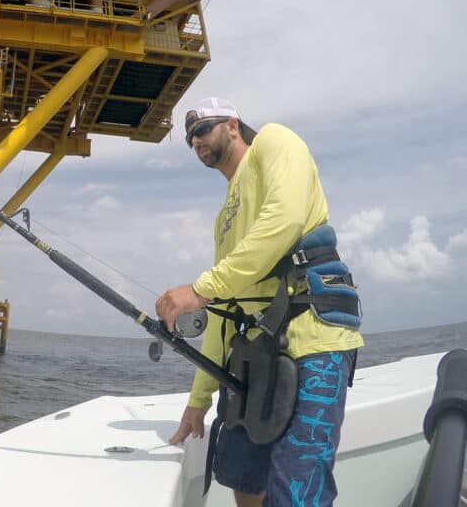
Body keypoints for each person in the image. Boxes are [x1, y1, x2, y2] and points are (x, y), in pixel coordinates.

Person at [155, 97, 363, 507]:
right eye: (189, 137)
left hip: (314, 340)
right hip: (257, 355)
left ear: (232, 125)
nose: (195, 139)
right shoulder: (223, 219)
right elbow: (222, 314)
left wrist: (199, 290)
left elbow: (283, 220)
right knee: (241, 473)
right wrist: (198, 401)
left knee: (296, 490)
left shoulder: (274, 140)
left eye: (203, 129)